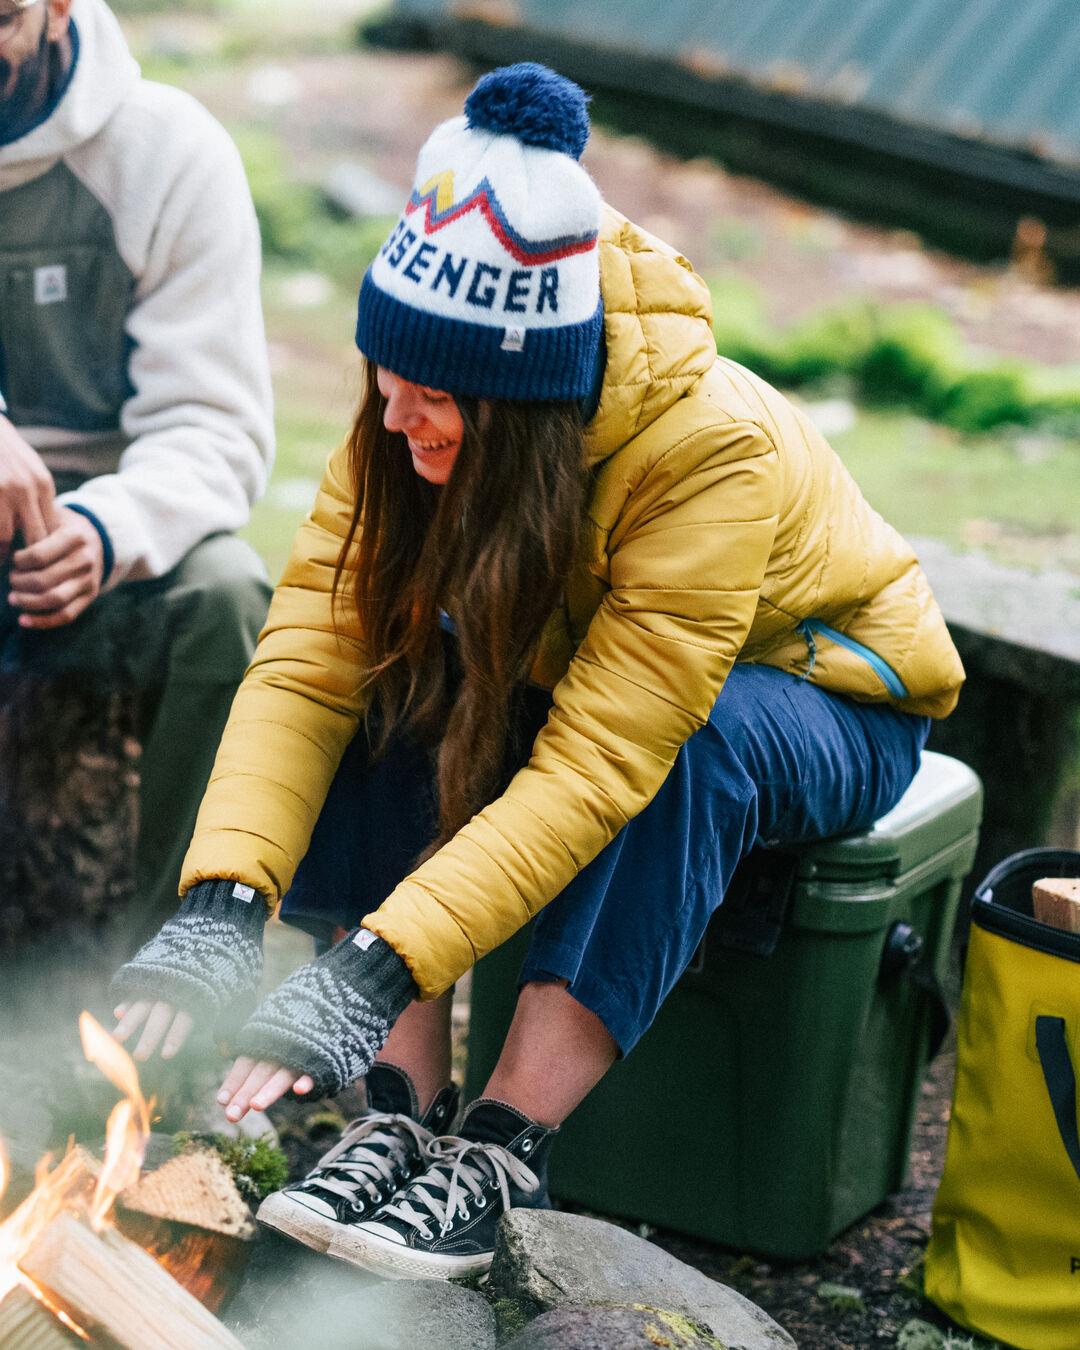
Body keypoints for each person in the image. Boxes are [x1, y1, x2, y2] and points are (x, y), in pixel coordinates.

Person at [111, 62, 965, 1281]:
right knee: (404, 656)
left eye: (433, 401)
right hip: (596, 676)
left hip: (834, 690)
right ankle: (399, 1106)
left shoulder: (703, 449)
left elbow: (605, 759)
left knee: (694, 743)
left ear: (520, 408)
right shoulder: (406, 419)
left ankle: (503, 1148)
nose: (396, 424)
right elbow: (310, 656)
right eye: (384, 386)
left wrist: (378, 957)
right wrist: (224, 905)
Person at [0, 0, 274, 944]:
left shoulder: (169, 154)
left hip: (100, 530)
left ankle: (170, 965)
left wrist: (110, 529)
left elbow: (217, 423)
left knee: (229, 597)